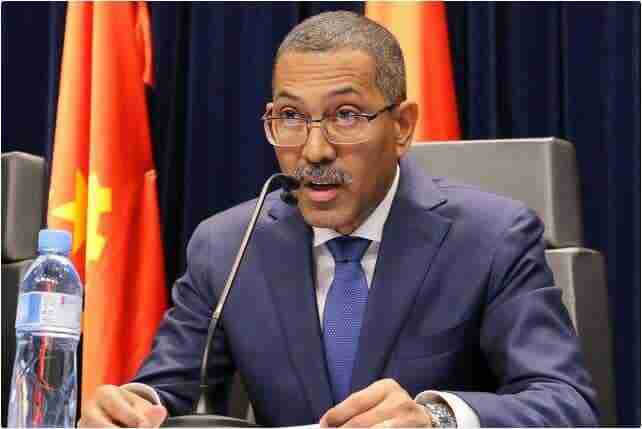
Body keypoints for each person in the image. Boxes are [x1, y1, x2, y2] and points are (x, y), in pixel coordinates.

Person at [78, 11, 598, 428]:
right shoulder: (228, 246)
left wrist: (436, 418)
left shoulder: (491, 238)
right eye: (291, 117)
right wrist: (129, 408)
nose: (315, 149)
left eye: (346, 115)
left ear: (402, 126)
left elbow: (566, 404)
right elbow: (168, 391)